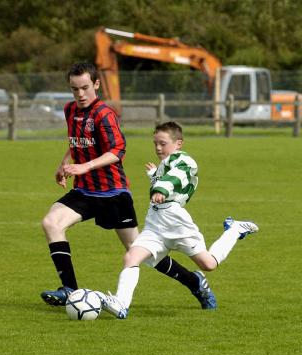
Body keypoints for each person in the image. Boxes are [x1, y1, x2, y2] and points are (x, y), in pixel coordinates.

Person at [40, 63, 215, 308]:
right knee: (51, 222)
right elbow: (77, 142)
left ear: (97, 84)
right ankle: (70, 289)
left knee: (140, 252)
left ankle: (194, 282)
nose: (79, 94)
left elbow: (117, 150)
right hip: (85, 191)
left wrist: (84, 166)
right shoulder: (70, 110)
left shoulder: (104, 114)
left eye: (85, 88)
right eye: (74, 89)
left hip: (112, 193)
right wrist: (65, 164)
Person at [101, 121, 259, 318]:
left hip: (176, 222)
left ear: (178, 143)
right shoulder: (166, 163)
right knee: (131, 257)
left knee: (208, 264)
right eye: (155, 144)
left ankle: (234, 229)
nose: (158, 148)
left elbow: (177, 176)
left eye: (163, 143)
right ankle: (121, 304)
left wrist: (160, 189)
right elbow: (168, 177)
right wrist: (154, 177)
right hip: (156, 223)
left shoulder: (184, 160)